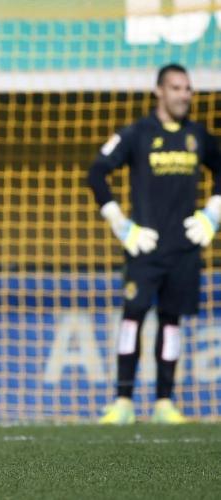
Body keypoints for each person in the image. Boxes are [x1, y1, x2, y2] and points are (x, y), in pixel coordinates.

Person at [88, 63, 221, 424]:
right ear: (159, 91)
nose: (184, 95)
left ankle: (164, 403)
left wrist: (213, 213)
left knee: (171, 323)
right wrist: (120, 223)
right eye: (176, 88)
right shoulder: (138, 133)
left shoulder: (198, 135)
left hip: (184, 248)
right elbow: (96, 173)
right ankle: (122, 402)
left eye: (188, 88)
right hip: (144, 247)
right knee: (132, 319)